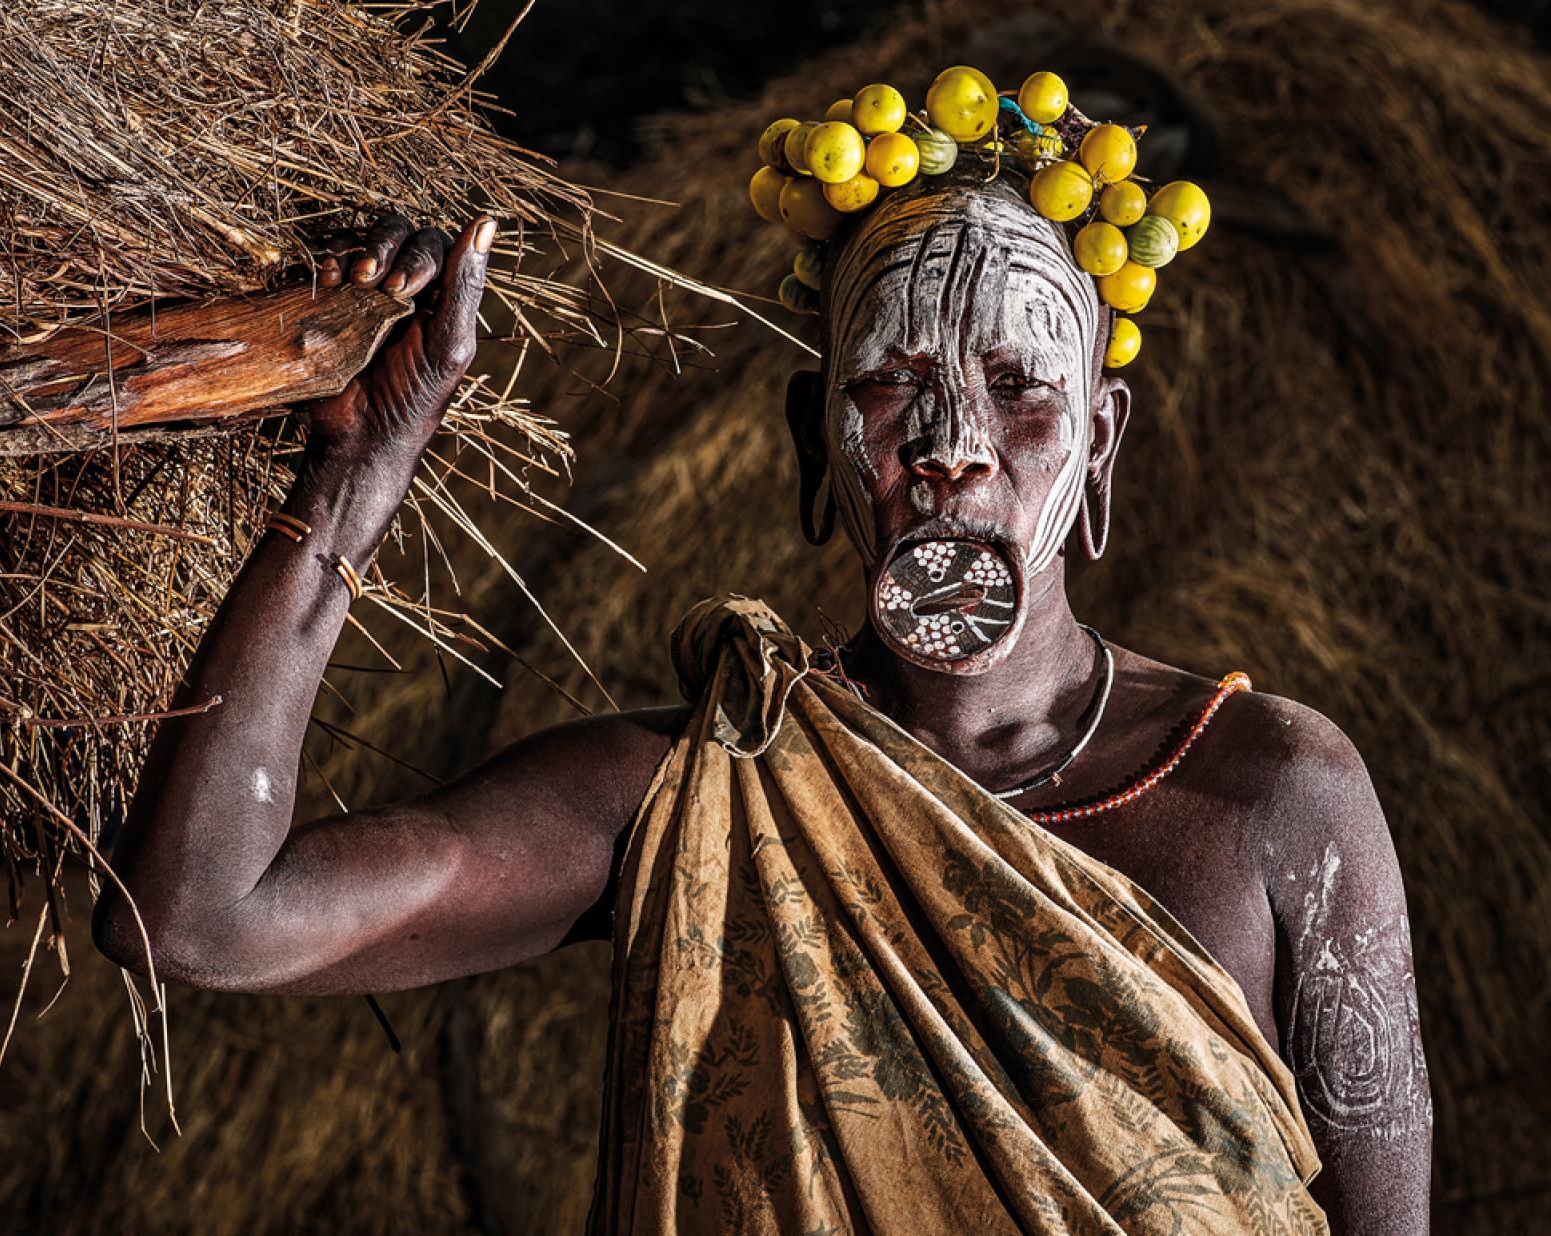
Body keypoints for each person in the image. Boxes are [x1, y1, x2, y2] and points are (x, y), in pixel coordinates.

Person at [94, 183, 1431, 1232]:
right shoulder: (703, 787)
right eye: (892, 381)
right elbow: (199, 918)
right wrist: (364, 465)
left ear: (1100, 447)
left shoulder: (1272, 795)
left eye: (1022, 388)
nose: (954, 438)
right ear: (815, 441)